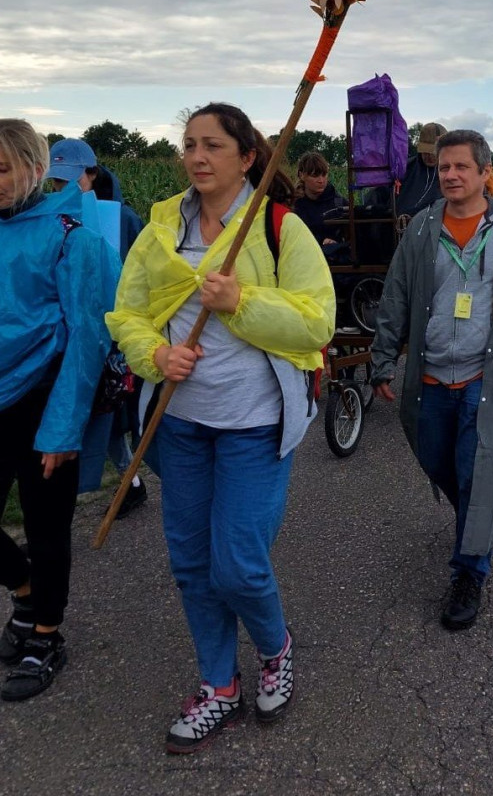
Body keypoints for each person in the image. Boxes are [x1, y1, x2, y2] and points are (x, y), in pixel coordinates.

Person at [106, 102, 335, 754]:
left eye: (212, 145)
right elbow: (127, 314)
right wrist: (156, 355)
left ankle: (275, 647)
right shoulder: (161, 227)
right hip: (180, 426)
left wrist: (241, 302)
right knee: (191, 564)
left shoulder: (279, 228)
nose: (197, 157)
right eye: (189, 145)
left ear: (247, 156)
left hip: (253, 427)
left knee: (237, 567)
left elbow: (317, 323)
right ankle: (219, 685)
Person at [371, 129, 493, 631]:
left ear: (485, 173)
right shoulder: (421, 227)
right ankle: (478, 518)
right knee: (440, 463)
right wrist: (382, 358)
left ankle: (469, 571)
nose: (451, 175)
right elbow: (395, 296)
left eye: (462, 166)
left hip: (486, 375)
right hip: (431, 377)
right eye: (444, 167)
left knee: (478, 472)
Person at [0, 119, 120, 701]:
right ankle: (24, 590)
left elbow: (89, 336)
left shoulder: (72, 234)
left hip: (45, 396)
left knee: (46, 527)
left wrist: (63, 427)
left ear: (34, 168)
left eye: (2, 168)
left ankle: (46, 633)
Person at [46, 138, 147, 517]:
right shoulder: (52, 220)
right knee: (91, 414)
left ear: (92, 173)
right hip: (70, 336)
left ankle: (127, 481)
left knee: (107, 413)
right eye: (56, 182)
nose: (63, 189)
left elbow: (141, 277)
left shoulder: (123, 219)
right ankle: (127, 481)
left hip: (114, 337)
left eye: (70, 179)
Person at [292, 150, 347, 248]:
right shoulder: (293, 205)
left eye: (324, 175)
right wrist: (321, 241)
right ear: (301, 175)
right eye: (315, 175)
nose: (321, 180)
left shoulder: (340, 203)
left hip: (337, 255)